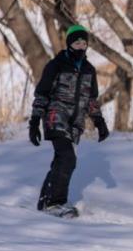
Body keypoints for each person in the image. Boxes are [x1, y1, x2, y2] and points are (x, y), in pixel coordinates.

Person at [28, 24, 110, 217]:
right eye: (77, 42)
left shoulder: (89, 70)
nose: (81, 46)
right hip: (55, 116)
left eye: (84, 42)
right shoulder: (56, 65)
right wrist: (34, 122)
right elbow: (42, 95)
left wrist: (99, 122)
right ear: (69, 44)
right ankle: (55, 203)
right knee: (67, 158)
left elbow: (91, 100)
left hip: (76, 124)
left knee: (61, 160)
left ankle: (45, 201)